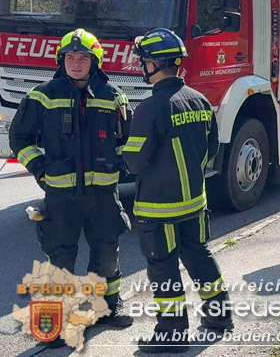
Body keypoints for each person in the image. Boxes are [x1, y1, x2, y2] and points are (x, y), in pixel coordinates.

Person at [10, 29, 133, 348]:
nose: (76, 63)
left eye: (83, 58)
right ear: (61, 60)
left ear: (95, 62)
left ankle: (105, 310)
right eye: (70, 57)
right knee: (59, 260)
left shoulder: (113, 96)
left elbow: (128, 141)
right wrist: (40, 170)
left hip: (103, 196)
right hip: (61, 197)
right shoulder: (42, 95)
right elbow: (19, 139)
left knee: (107, 255)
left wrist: (120, 167)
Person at [123, 28, 231, 354]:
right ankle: (219, 316)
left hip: (158, 210)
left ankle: (172, 335)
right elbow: (212, 148)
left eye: (144, 62)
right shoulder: (199, 100)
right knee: (200, 257)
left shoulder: (150, 108)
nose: (142, 67)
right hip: (195, 203)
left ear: (154, 64)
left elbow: (134, 162)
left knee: (163, 269)